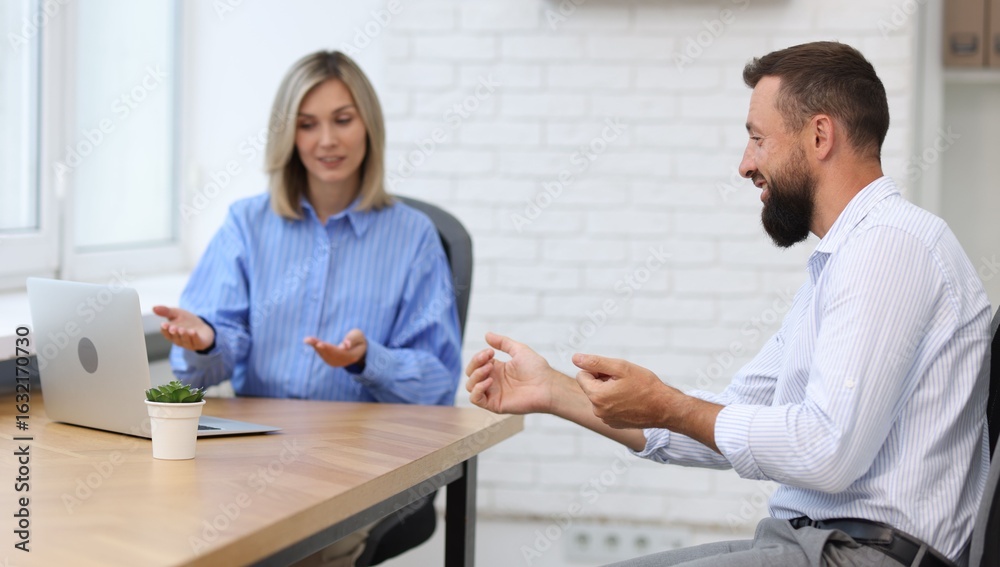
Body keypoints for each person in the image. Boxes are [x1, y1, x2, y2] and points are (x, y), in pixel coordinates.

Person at [466, 41, 992, 567]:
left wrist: (669, 405)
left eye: (758, 139)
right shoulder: (843, 260)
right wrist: (553, 389)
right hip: (811, 544)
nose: (745, 165)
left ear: (819, 135)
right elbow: (724, 416)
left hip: (865, 555)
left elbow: (825, 450)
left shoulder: (890, 245)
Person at [155, 50, 462, 566]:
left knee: (292, 550)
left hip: (356, 460)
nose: (326, 141)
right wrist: (207, 341)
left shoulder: (414, 238)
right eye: (307, 124)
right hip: (251, 450)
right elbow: (196, 374)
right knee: (179, 529)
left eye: (342, 120)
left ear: (369, 125)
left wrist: (367, 360)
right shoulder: (246, 224)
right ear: (288, 135)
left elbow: (437, 385)